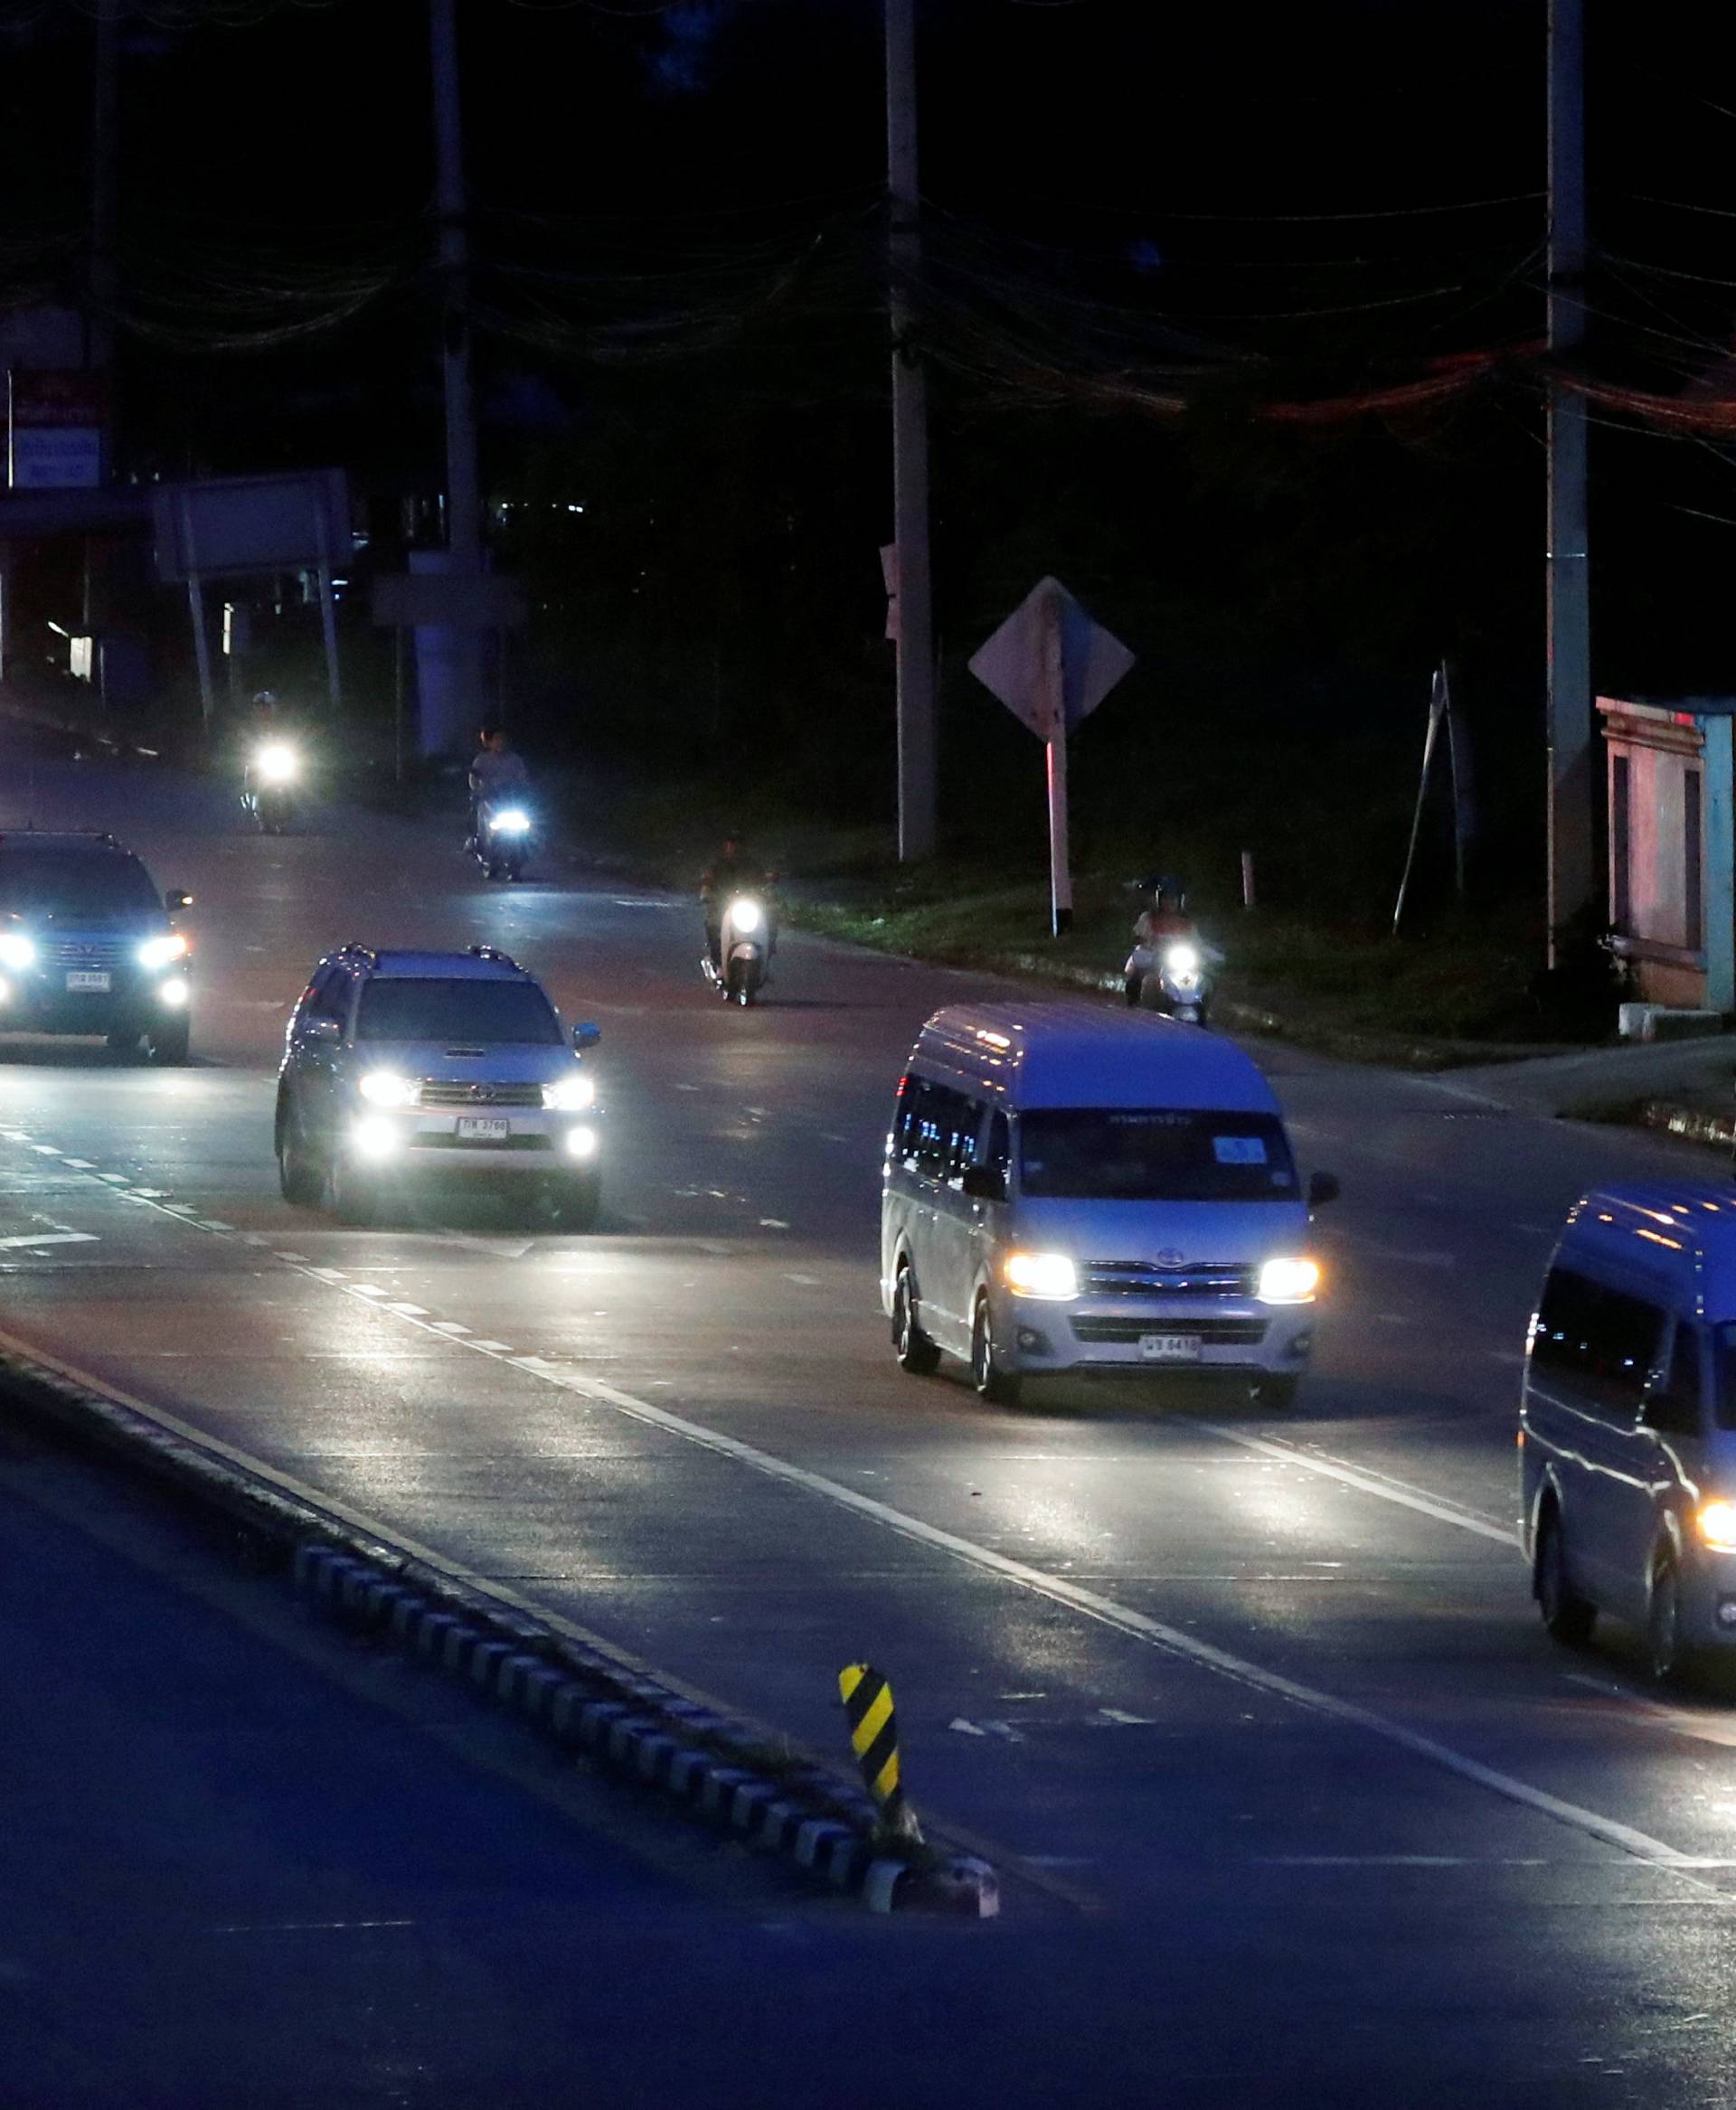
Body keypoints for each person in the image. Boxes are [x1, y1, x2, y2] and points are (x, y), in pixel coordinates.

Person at [700, 834, 774, 971]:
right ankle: (718, 963)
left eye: (737, 845)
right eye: (731, 845)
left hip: (749, 907)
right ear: (726, 848)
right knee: (713, 924)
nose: (734, 849)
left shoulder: (753, 866)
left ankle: (766, 957)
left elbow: (764, 883)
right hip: (722, 906)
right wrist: (706, 894)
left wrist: (769, 895)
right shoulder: (717, 867)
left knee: (770, 920)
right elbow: (707, 884)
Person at [468, 724, 530, 839]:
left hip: (510, 799)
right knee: (478, 812)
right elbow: (473, 779)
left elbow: (523, 778)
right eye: (497, 739)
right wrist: (478, 790)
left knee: (526, 825)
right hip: (488, 798)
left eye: (503, 739)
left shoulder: (515, 759)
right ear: (490, 742)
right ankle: (476, 840)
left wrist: (523, 788)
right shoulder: (481, 760)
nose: (500, 742)